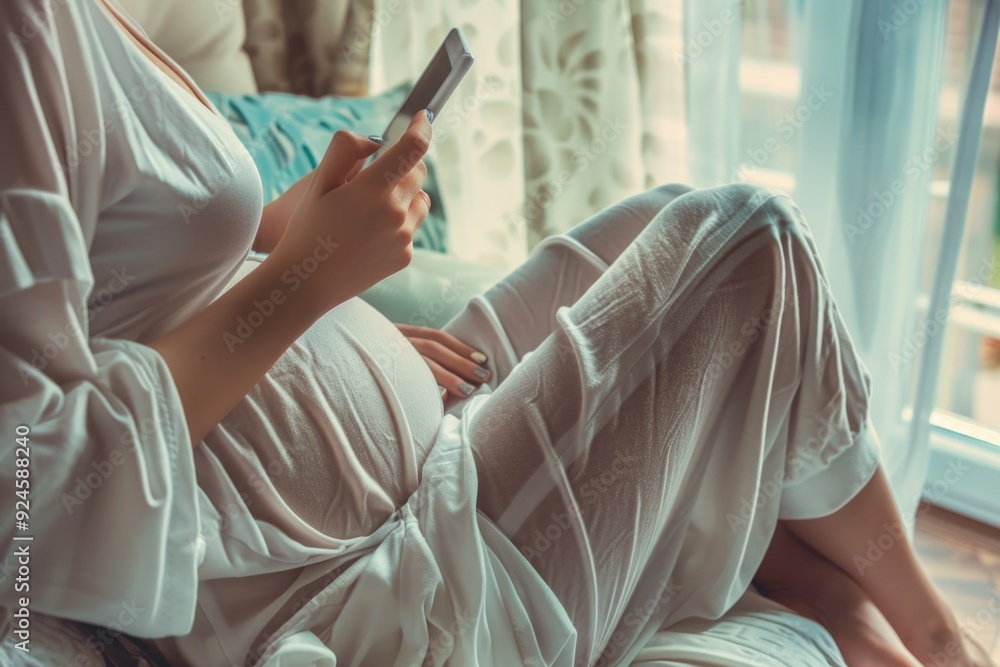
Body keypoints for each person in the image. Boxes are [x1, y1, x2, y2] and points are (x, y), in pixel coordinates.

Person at [0, 1, 993, 665]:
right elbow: (29, 487)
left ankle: (842, 600)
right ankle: (938, 638)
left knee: (663, 217)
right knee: (749, 243)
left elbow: (147, 283)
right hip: (368, 580)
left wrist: (299, 239)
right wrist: (308, 282)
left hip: (422, 455)